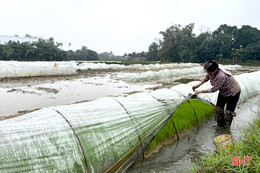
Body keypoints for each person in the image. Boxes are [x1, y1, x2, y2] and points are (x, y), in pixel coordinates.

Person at [192, 60, 241, 127]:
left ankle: (226, 128)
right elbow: (206, 77)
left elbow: (213, 89)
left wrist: (200, 91)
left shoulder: (221, 76)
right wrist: (199, 84)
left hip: (233, 93)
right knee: (218, 109)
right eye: (207, 72)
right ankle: (220, 125)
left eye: (209, 72)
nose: (208, 73)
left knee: (228, 113)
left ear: (215, 70)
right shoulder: (211, 69)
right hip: (223, 91)